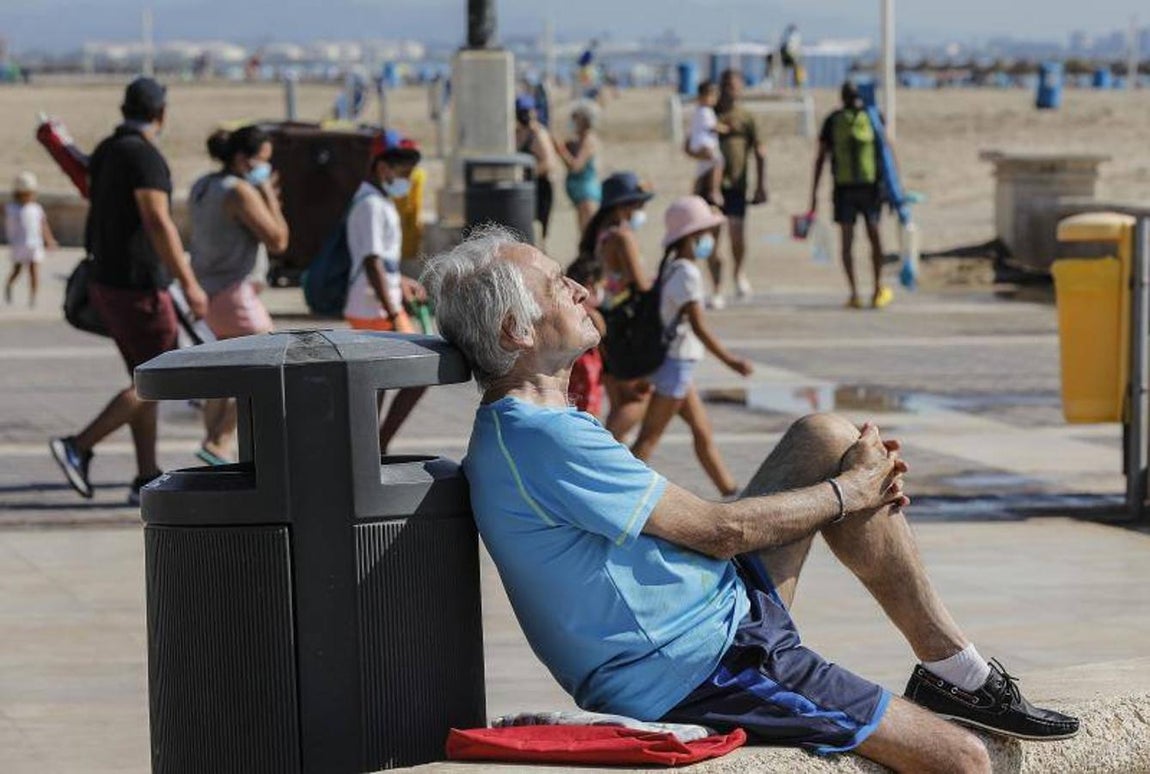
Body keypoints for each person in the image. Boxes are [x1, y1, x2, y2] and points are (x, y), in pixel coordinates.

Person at [420, 226, 1078, 774]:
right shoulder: (539, 438)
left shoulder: (539, 423)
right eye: (559, 286)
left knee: (826, 434)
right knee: (963, 761)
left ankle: (953, 671)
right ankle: (954, 681)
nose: (582, 290)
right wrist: (849, 494)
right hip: (705, 669)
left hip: (722, 609)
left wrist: (848, 486)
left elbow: (707, 538)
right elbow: (718, 531)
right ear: (516, 331)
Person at [50, 77, 209, 505]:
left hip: (107, 280)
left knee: (142, 376)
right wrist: (189, 283)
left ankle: (144, 474)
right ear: (161, 114)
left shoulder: (106, 149)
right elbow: (158, 222)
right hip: (140, 285)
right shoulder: (146, 158)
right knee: (161, 376)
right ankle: (78, 445)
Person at [630, 197, 752, 496]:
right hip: (677, 365)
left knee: (702, 432)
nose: (709, 240)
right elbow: (698, 325)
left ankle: (731, 491)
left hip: (676, 365)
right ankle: (614, 496)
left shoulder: (673, 268)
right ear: (690, 237)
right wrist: (731, 361)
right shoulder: (687, 273)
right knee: (648, 438)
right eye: (704, 234)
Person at [189, 125, 289, 465]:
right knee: (271, 365)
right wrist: (268, 194)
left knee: (225, 373)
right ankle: (219, 441)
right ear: (243, 159)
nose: (268, 169)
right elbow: (279, 240)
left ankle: (216, 447)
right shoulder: (240, 192)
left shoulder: (203, 186)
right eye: (263, 161)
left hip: (210, 292)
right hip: (237, 294)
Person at [345, 130, 430, 453]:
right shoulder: (371, 205)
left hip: (378, 304)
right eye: (404, 172)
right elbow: (371, 262)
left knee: (377, 385)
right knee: (420, 372)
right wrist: (394, 311)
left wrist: (402, 284)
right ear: (383, 168)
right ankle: (377, 448)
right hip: (376, 309)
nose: (407, 180)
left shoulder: (375, 201)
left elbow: (381, 263)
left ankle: (370, 450)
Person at [576, 172, 654, 438]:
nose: (641, 212)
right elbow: (641, 284)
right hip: (622, 324)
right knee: (636, 400)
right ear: (622, 206)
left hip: (605, 319)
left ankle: (606, 458)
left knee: (619, 400)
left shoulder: (600, 234)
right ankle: (599, 455)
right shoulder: (622, 236)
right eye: (638, 205)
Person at [809, 81, 893, 310]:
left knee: (847, 242)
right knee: (874, 237)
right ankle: (877, 288)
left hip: (844, 189)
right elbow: (887, 154)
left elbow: (820, 159)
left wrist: (813, 194)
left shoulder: (833, 120)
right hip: (870, 188)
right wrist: (894, 190)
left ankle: (854, 292)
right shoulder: (873, 117)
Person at [712, 69, 767, 307]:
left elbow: (760, 151)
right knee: (712, 240)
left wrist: (761, 186)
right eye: (726, 85)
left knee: (737, 235)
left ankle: (738, 273)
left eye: (734, 86)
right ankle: (716, 287)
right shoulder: (710, 114)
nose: (729, 90)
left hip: (737, 185)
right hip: (712, 186)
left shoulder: (746, 117)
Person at [5, 171, 57, 307]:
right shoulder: (11, 208)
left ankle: (32, 298)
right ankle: (8, 286)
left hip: (34, 245)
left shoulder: (36, 208)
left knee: (34, 271)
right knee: (17, 270)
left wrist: (49, 240)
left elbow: (43, 225)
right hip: (19, 245)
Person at [515, 94, 557, 246]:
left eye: (528, 111)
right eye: (521, 111)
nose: (525, 115)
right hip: (525, 188)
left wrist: (526, 174)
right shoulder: (517, 134)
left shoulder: (539, 134)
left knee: (538, 233)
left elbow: (549, 164)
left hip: (541, 188)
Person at [555, 101, 601, 234]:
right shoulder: (578, 140)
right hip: (580, 192)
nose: (572, 121)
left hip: (587, 192)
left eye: (576, 118)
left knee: (588, 233)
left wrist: (561, 150)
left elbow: (576, 166)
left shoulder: (588, 141)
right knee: (583, 231)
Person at [684, 81, 726, 207]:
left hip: (697, 143)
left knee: (702, 169)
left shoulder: (697, 110)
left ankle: (696, 194)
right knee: (718, 162)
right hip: (705, 144)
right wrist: (725, 129)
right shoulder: (705, 111)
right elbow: (712, 126)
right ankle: (714, 190)